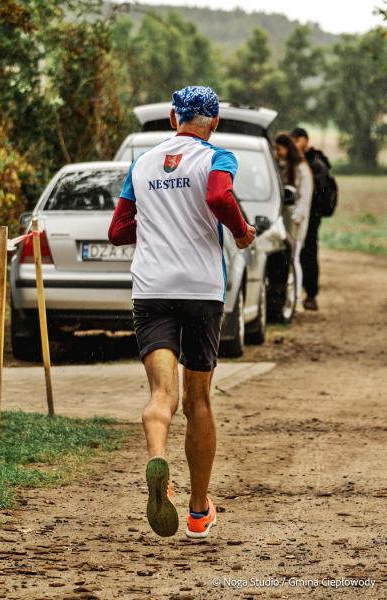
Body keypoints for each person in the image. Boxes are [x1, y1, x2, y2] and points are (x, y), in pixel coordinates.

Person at [108, 86, 255, 539]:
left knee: (161, 395)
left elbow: (117, 230)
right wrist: (243, 230)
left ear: (174, 119)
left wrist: (153, 224)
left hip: (151, 289)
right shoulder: (217, 158)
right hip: (200, 290)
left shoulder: (143, 163)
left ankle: (159, 465)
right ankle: (197, 510)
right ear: (214, 122)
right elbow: (217, 198)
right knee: (199, 401)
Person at [291, 127, 332, 311]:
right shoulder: (298, 161)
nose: (295, 144)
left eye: (297, 140)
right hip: (300, 214)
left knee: (308, 253)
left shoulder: (315, 164)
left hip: (312, 216)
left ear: (305, 140)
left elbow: (317, 192)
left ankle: (311, 294)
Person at [274, 133, 313, 311]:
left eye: (279, 149)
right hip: (283, 219)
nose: (276, 152)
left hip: (296, 222)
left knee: (294, 258)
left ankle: (296, 297)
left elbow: (304, 199)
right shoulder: (283, 167)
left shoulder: (302, 170)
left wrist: (296, 218)